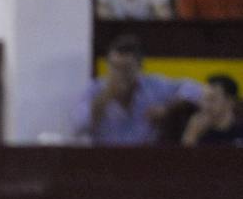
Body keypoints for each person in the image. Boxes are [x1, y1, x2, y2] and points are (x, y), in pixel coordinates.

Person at [71, 34, 202, 145]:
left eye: (126, 69)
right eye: (114, 68)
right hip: (105, 160)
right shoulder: (95, 89)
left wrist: (167, 109)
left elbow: (195, 90)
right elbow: (78, 126)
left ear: (140, 68)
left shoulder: (154, 86)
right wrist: (105, 98)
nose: (119, 74)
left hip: (146, 159)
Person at [182, 74, 243, 145]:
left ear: (230, 101)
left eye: (212, 99)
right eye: (204, 99)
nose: (205, 105)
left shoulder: (240, 130)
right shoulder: (195, 129)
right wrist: (191, 136)